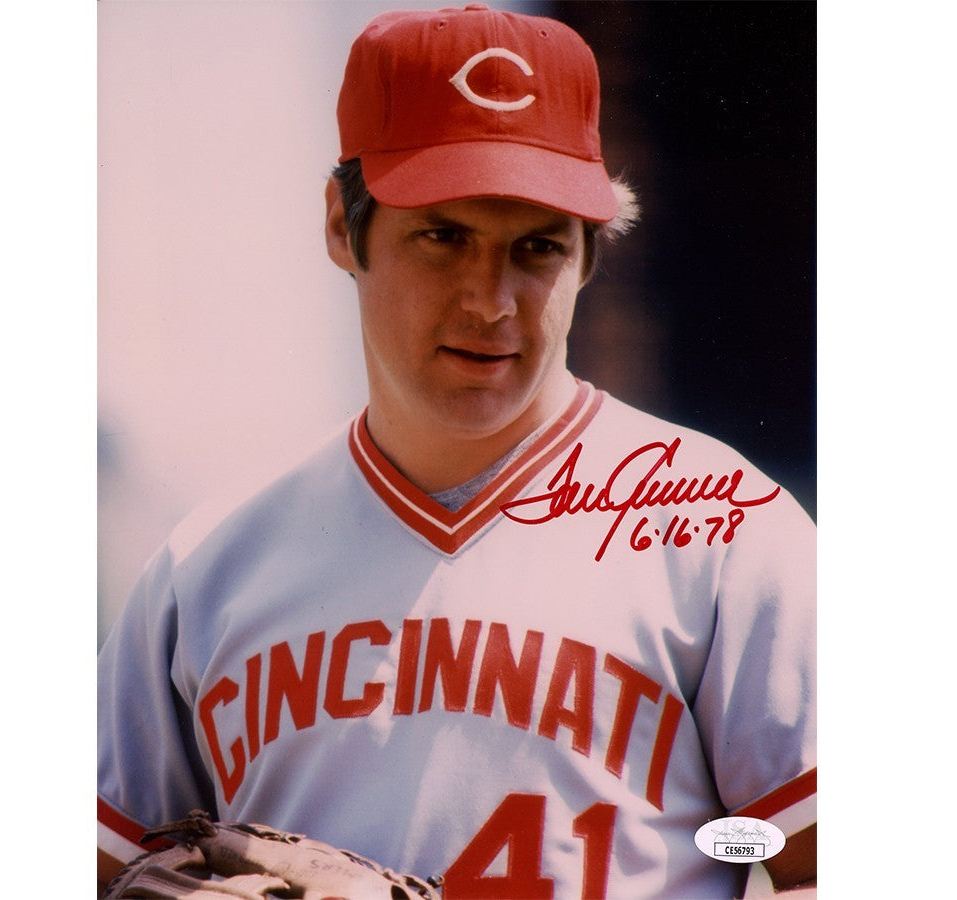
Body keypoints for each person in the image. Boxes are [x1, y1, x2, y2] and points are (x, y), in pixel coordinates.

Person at [97, 4, 816, 897]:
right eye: (443, 237)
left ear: (590, 256)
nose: (490, 299)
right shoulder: (208, 563)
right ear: (342, 225)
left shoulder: (722, 526)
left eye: (537, 247)